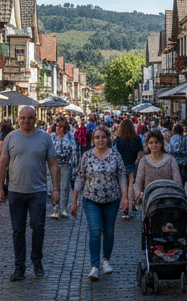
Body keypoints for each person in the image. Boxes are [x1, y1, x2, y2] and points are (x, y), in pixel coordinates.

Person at [0, 106, 61, 281]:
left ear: (35, 119)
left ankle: (37, 259)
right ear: (18, 119)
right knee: (18, 230)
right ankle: (19, 267)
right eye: (23, 118)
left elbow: (53, 165)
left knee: (38, 226)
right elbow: (2, 163)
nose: (27, 121)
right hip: (16, 191)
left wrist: (56, 189)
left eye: (30, 118)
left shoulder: (45, 138)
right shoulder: (11, 137)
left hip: (38, 191)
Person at [71, 127, 128, 281]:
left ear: (108, 138)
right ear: (93, 140)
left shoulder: (115, 155)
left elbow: (122, 176)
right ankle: (94, 266)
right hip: (91, 199)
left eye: (103, 137)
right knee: (95, 231)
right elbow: (80, 177)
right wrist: (74, 201)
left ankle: (106, 261)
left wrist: (125, 197)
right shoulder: (87, 156)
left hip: (112, 198)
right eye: (97, 137)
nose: (100, 140)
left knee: (108, 231)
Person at [133, 130, 182, 210]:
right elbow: (139, 181)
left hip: (168, 201)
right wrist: (139, 195)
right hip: (149, 203)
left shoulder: (170, 160)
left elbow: (177, 181)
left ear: (161, 143)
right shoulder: (144, 161)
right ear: (147, 144)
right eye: (151, 143)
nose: (154, 145)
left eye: (156, 142)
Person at [113, 119, 144, 218]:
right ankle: (131, 208)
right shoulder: (137, 138)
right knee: (131, 186)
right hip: (133, 165)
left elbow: (114, 153)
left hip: (121, 166)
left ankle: (125, 210)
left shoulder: (118, 140)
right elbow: (140, 152)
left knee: (123, 189)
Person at [50, 118, 77, 220]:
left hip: (66, 164)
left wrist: (74, 168)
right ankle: (55, 209)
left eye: (61, 127)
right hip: (54, 165)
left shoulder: (70, 137)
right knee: (55, 187)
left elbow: (73, 152)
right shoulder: (51, 137)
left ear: (65, 128)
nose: (58, 128)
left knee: (65, 187)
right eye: (57, 126)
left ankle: (63, 209)